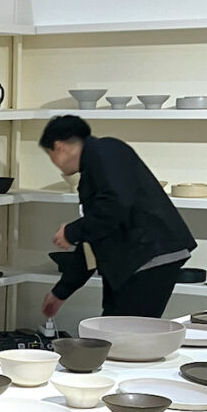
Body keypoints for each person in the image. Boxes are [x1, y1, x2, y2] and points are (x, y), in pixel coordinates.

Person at [39, 114, 197, 320]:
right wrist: (60, 293)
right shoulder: (94, 169)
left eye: (51, 155)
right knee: (118, 335)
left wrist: (71, 231)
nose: (55, 163)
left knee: (121, 339)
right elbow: (92, 241)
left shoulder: (105, 150)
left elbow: (115, 204)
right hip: (139, 261)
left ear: (59, 147)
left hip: (148, 255)